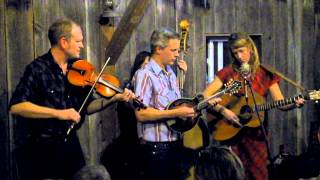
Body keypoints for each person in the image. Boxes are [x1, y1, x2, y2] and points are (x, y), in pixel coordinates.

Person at [9, 19, 134, 180]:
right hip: (43, 148)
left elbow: (87, 106)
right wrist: (58, 113)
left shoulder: (78, 68)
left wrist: (113, 98)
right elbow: (17, 107)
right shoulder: (37, 69)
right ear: (63, 42)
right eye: (78, 41)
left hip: (71, 144)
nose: (82, 45)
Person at [203, 32, 305, 180]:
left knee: (258, 174)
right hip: (231, 133)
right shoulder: (228, 73)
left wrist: (294, 104)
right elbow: (205, 95)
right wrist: (223, 111)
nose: (239, 56)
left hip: (256, 134)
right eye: (235, 52)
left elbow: (281, 103)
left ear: (250, 48)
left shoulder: (265, 73)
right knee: (233, 174)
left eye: (241, 51)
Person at [100, 51, 151, 180]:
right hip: (131, 143)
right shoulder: (129, 89)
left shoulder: (153, 89)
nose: (147, 70)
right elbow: (129, 121)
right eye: (145, 65)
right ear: (137, 67)